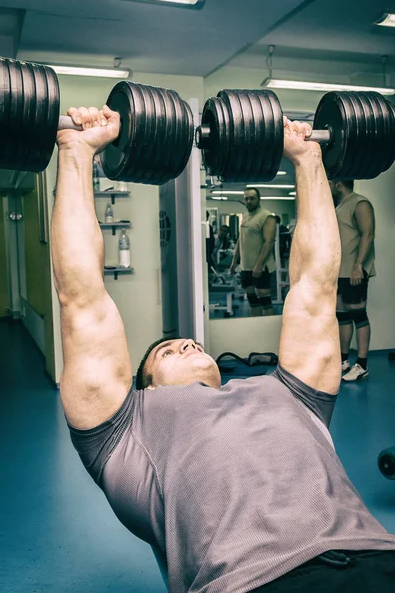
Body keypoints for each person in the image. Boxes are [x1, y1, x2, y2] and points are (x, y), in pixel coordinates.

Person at [52, 108, 395, 593]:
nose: (189, 343)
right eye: (169, 351)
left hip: (378, 555)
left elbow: (316, 285)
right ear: (143, 388)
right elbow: (82, 298)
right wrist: (75, 152)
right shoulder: (126, 435)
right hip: (252, 582)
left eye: (190, 342)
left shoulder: (291, 393)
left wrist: (307, 157)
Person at [329, 180, 376, 381]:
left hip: (353, 271)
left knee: (359, 316)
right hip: (339, 272)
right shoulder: (339, 206)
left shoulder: (360, 203)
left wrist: (358, 266)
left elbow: (368, 234)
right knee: (343, 316)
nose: (327, 184)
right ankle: (344, 360)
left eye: (330, 182)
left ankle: (362, 365)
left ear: (338, 184)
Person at [229, 188, 276, 316]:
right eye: (246, 198)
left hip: (261, 267)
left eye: (252, 198)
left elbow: (269, 242)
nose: (248, 201)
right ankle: (256, 329)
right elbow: (241, 239)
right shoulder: (245, 216)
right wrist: (234, 261)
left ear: (259, 199)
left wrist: (259, 265)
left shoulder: (267, 216)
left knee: (265, 301)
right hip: (246, 266)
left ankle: (267, 331)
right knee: (252, 301)